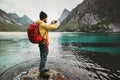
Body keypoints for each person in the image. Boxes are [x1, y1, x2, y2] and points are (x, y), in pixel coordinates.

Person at [36, 11, 60, 78]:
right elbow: (54, 27)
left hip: (41, 43)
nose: (47, 19)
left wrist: (50, 23)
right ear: (44, 18)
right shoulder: (42, 24)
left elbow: (46, 27)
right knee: (44, 57)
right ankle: (41, 73)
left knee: (42, 56)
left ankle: (42, 69)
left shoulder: (39, 23)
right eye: (46, 18)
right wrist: (57, 22)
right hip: (43, 43)